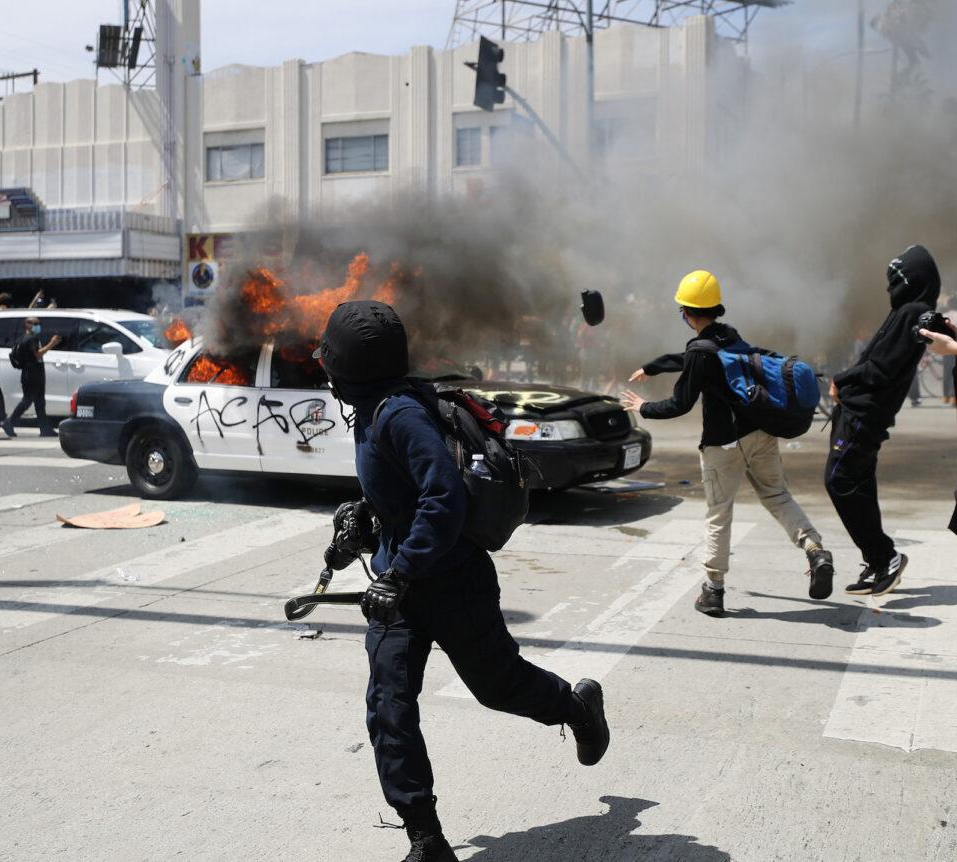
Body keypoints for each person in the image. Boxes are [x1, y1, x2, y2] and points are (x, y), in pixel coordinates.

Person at [315, 300, 609, 862]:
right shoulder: (373, 408)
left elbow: (444, 499)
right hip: (399, 592)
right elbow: (402, 495)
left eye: (330, 362)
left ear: (348, 367)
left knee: (498, 687)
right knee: (389, 707)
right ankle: (426, 838)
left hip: (451, 583)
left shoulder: (399, 415)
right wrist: (363, 521)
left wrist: (398, 571)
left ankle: (576, 708)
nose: (325, 371)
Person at [620, 270, 833, 615]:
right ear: (715, 308)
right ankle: (814, 549)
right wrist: (654, 366)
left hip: (724, 446)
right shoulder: (730, 338)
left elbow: (680, 402)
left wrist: (642, 407)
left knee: (719, 514)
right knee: (778, 496)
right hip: (761, 435)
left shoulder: (700, 351)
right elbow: (693, 359)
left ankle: (713, 590)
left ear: (687, 314)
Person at [826, 245, 941, 596]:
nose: (890, 288)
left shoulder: (915, 313)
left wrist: (842, 379)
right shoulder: (904, 311)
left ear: (913, 281)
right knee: (857, 484)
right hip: (858, 412)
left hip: (865, 415)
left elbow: (881, 368)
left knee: (839, 481)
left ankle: (885, 555)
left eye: (896, 280)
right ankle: (878, 562)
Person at [2, 317, 61, 438]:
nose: (38, 326)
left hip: (33, 374)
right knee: (27, 400)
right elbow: (37, 354)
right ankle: (9, 422)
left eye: (39, 323)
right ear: (27, 325)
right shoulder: (30, 339)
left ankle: (44, 429)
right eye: (35, 324)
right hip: (32, 375)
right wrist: (52, 344)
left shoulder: (25, 338)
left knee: (39, 402)